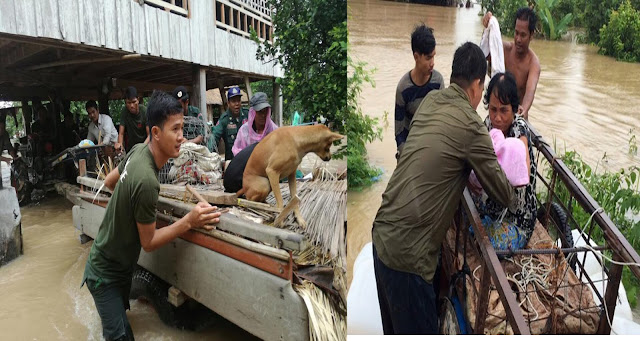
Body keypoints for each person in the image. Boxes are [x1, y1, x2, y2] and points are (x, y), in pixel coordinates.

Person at [371, 42, 516, 335]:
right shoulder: (472, 126)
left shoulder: (429, 103)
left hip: (381, 238)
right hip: (409, 262)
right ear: (477, 84)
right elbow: (504, 193)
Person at [82, 91, 221, 341]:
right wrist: (189, 221)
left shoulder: (137, 151)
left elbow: (112, 181)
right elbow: (149, 242)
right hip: (105, 276)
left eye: (182, 128)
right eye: (175, 129)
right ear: (155, 133)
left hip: (115, 267)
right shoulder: (147, 181)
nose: (182, 137)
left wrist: (129, 206)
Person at [471, 71, 538, 242]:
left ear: (514, 109)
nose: (497, 117)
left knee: (485, 242)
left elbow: (524, 169)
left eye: (504, 111)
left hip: (515, 220)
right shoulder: (488, 124)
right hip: (491, 207)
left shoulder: (519, 130)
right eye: (493, 110)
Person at [394, 24, 445, 160]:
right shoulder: (403, 88)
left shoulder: (438, 82)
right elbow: (399, 132)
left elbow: (441, 122)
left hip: (431, 148)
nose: (432, 63)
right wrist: (407, 157)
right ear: (416, 57)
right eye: (428, 58)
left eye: (434, 56)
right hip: (409, 150)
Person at [482, 8, 540, 120]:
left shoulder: (533, 63)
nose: (518, 39)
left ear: (531, 35)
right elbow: (483, 54)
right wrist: (487, 27)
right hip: (498, 117)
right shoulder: (504, 50)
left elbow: (530, 91)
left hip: (518, 117)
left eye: (523, 35)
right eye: (516, 33)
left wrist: (524, 108)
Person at [232, 92, 278, 156]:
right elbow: (238, 152)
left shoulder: (274, 130)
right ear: (252, 113)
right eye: (259, 112)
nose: (263, 115)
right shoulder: (244, 131)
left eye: (265, 111)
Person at [212, 86, 249, 160]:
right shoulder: (224, 120)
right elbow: (214, 138)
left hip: (248, 159)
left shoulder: (247, 115)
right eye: (233, 101)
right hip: (232, 161)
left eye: (238, 100)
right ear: (228, 103)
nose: (237, 104)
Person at [116, 86, 148, 152]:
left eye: (134, 102)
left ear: (138, 100)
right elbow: (121, 133)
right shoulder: (124, 111)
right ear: (125, 102)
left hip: (145, 147)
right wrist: (120, 145)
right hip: (132, 148)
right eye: (129, 103)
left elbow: (150, 135)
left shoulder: (145, 111)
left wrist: (142, 148)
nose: (132, 106)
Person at [0, 120, 18, 189]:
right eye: (0, 128)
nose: (2, 130)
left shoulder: (5, 134)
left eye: (3, 128)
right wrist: (6, 159)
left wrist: (14, 157)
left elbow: (9, 147)